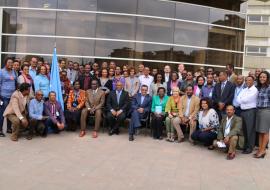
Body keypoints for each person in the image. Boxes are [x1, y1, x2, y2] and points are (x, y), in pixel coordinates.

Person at [237, 76, 258, 154]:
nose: (247, 81)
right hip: (243, 111)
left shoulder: (255, 90)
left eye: (249, 80)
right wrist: (242, 100)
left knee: (250, 130)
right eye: (246, 80)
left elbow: (246, 100)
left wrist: (242, 100)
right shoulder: (244, 89)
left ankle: (250, 147)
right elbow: (238, 99)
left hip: (250, 111)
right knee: (245, 130)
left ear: (253, 81)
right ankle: (245, 146)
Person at [0, 57, 17, 136]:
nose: (10, 64)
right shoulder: (1, 72)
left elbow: (15, 82)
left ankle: (9, 128)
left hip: (12, 97)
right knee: (3, 113)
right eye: (9, 62)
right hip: (4, 96)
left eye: (11, 62)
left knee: (10, 113)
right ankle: (0, 130)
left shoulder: (14, 71)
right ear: (5, 63)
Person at [255, 71, 270, 159]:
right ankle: (260, 149)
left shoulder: (269, 88)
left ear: (267, 78)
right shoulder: (260, 88)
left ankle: (263, 150)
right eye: (261, 77)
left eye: (264, 77)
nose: (262, 78)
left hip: (266, 111)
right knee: (260, 131)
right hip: (259, 110)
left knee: (265, 132)